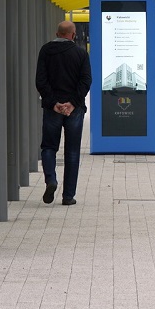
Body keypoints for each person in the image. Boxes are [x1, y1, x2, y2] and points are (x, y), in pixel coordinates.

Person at [36, 20, 92, 205]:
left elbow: (40, 80)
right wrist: (72, 103)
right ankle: (68, 196)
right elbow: (86, 81)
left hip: (53, 109)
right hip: (74, 110)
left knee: (49, 147)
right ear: (73, 34)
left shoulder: (46, 51)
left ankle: (51, 179)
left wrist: (54, 103)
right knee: (72, 152)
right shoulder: (81, 53)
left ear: (57, 33)